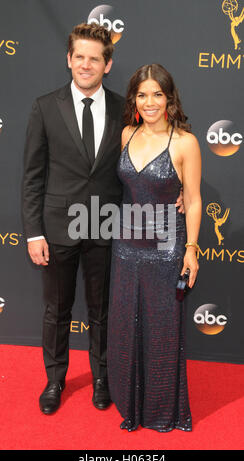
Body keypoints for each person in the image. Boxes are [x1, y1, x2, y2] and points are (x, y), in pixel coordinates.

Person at [22, 24, 184, 415]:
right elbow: (32, 175)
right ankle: (55, 380)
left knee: (103, 311)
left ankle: (102, 379)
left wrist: (177, 188)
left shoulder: (124, 111)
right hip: (59, 226)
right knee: (56, 310)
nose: (86, 64)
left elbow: (158, 147)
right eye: (80, 56)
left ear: (107, 64)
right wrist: (33, 233)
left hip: (108, 226)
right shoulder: (45, 106)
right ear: (69, 59)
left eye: (95, 58)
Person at [107, 63, 202, 432]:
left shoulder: (185, 142)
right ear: (135, 98)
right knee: (126, 329)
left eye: (157, 94)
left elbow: (193, 201)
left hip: (167, 249)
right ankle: (128, 401)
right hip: (126, 248)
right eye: (143, 94)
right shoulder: (126, 134)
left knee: (162, 332)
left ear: (169, 98)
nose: (150, 102)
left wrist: (191, 250)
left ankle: (163, 410)